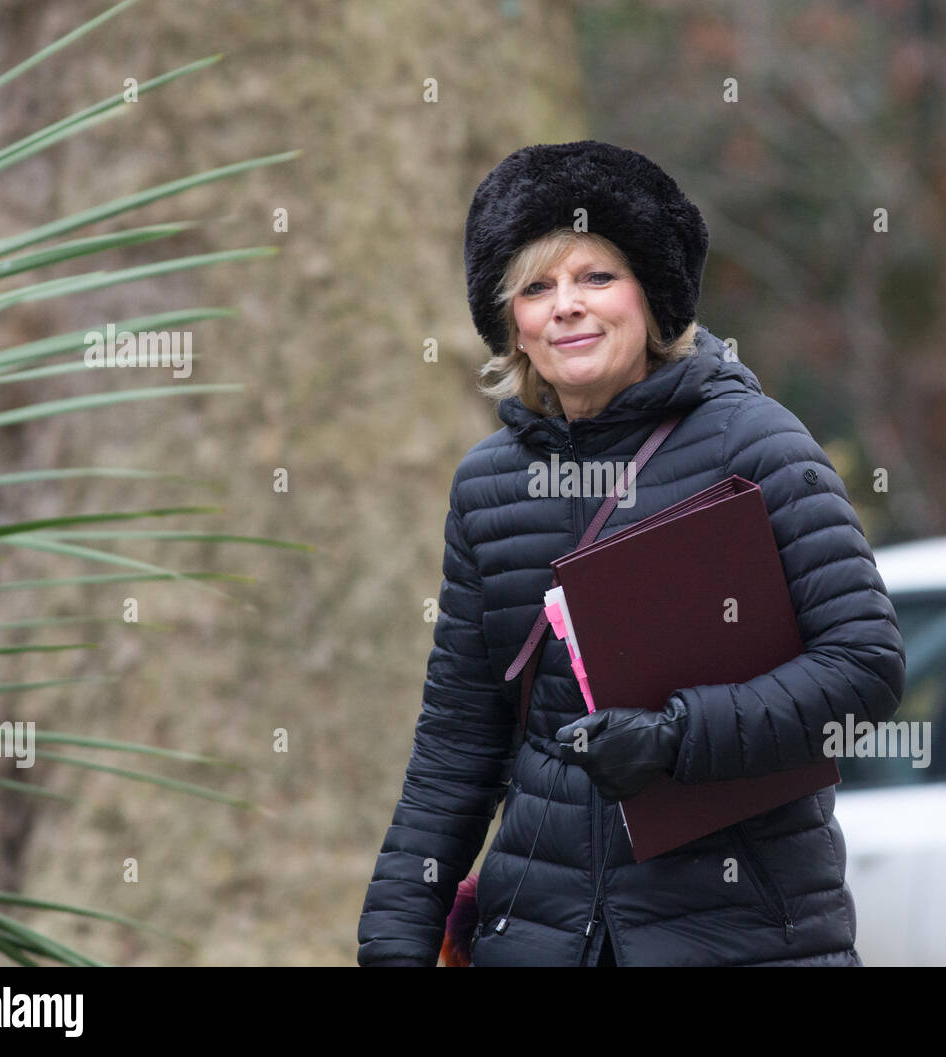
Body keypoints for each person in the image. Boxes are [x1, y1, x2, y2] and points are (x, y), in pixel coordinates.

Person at [357, 140, 905, 967]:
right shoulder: (488, 488)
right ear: (513, 323)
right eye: (537, 288)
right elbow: (457, 743)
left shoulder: (754, 443)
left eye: (596, 278)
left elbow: (864, 668)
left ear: (651, 298)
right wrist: (393, 940)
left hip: (742, 939)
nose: (566, 306)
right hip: (540, 941)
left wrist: (678, 739)